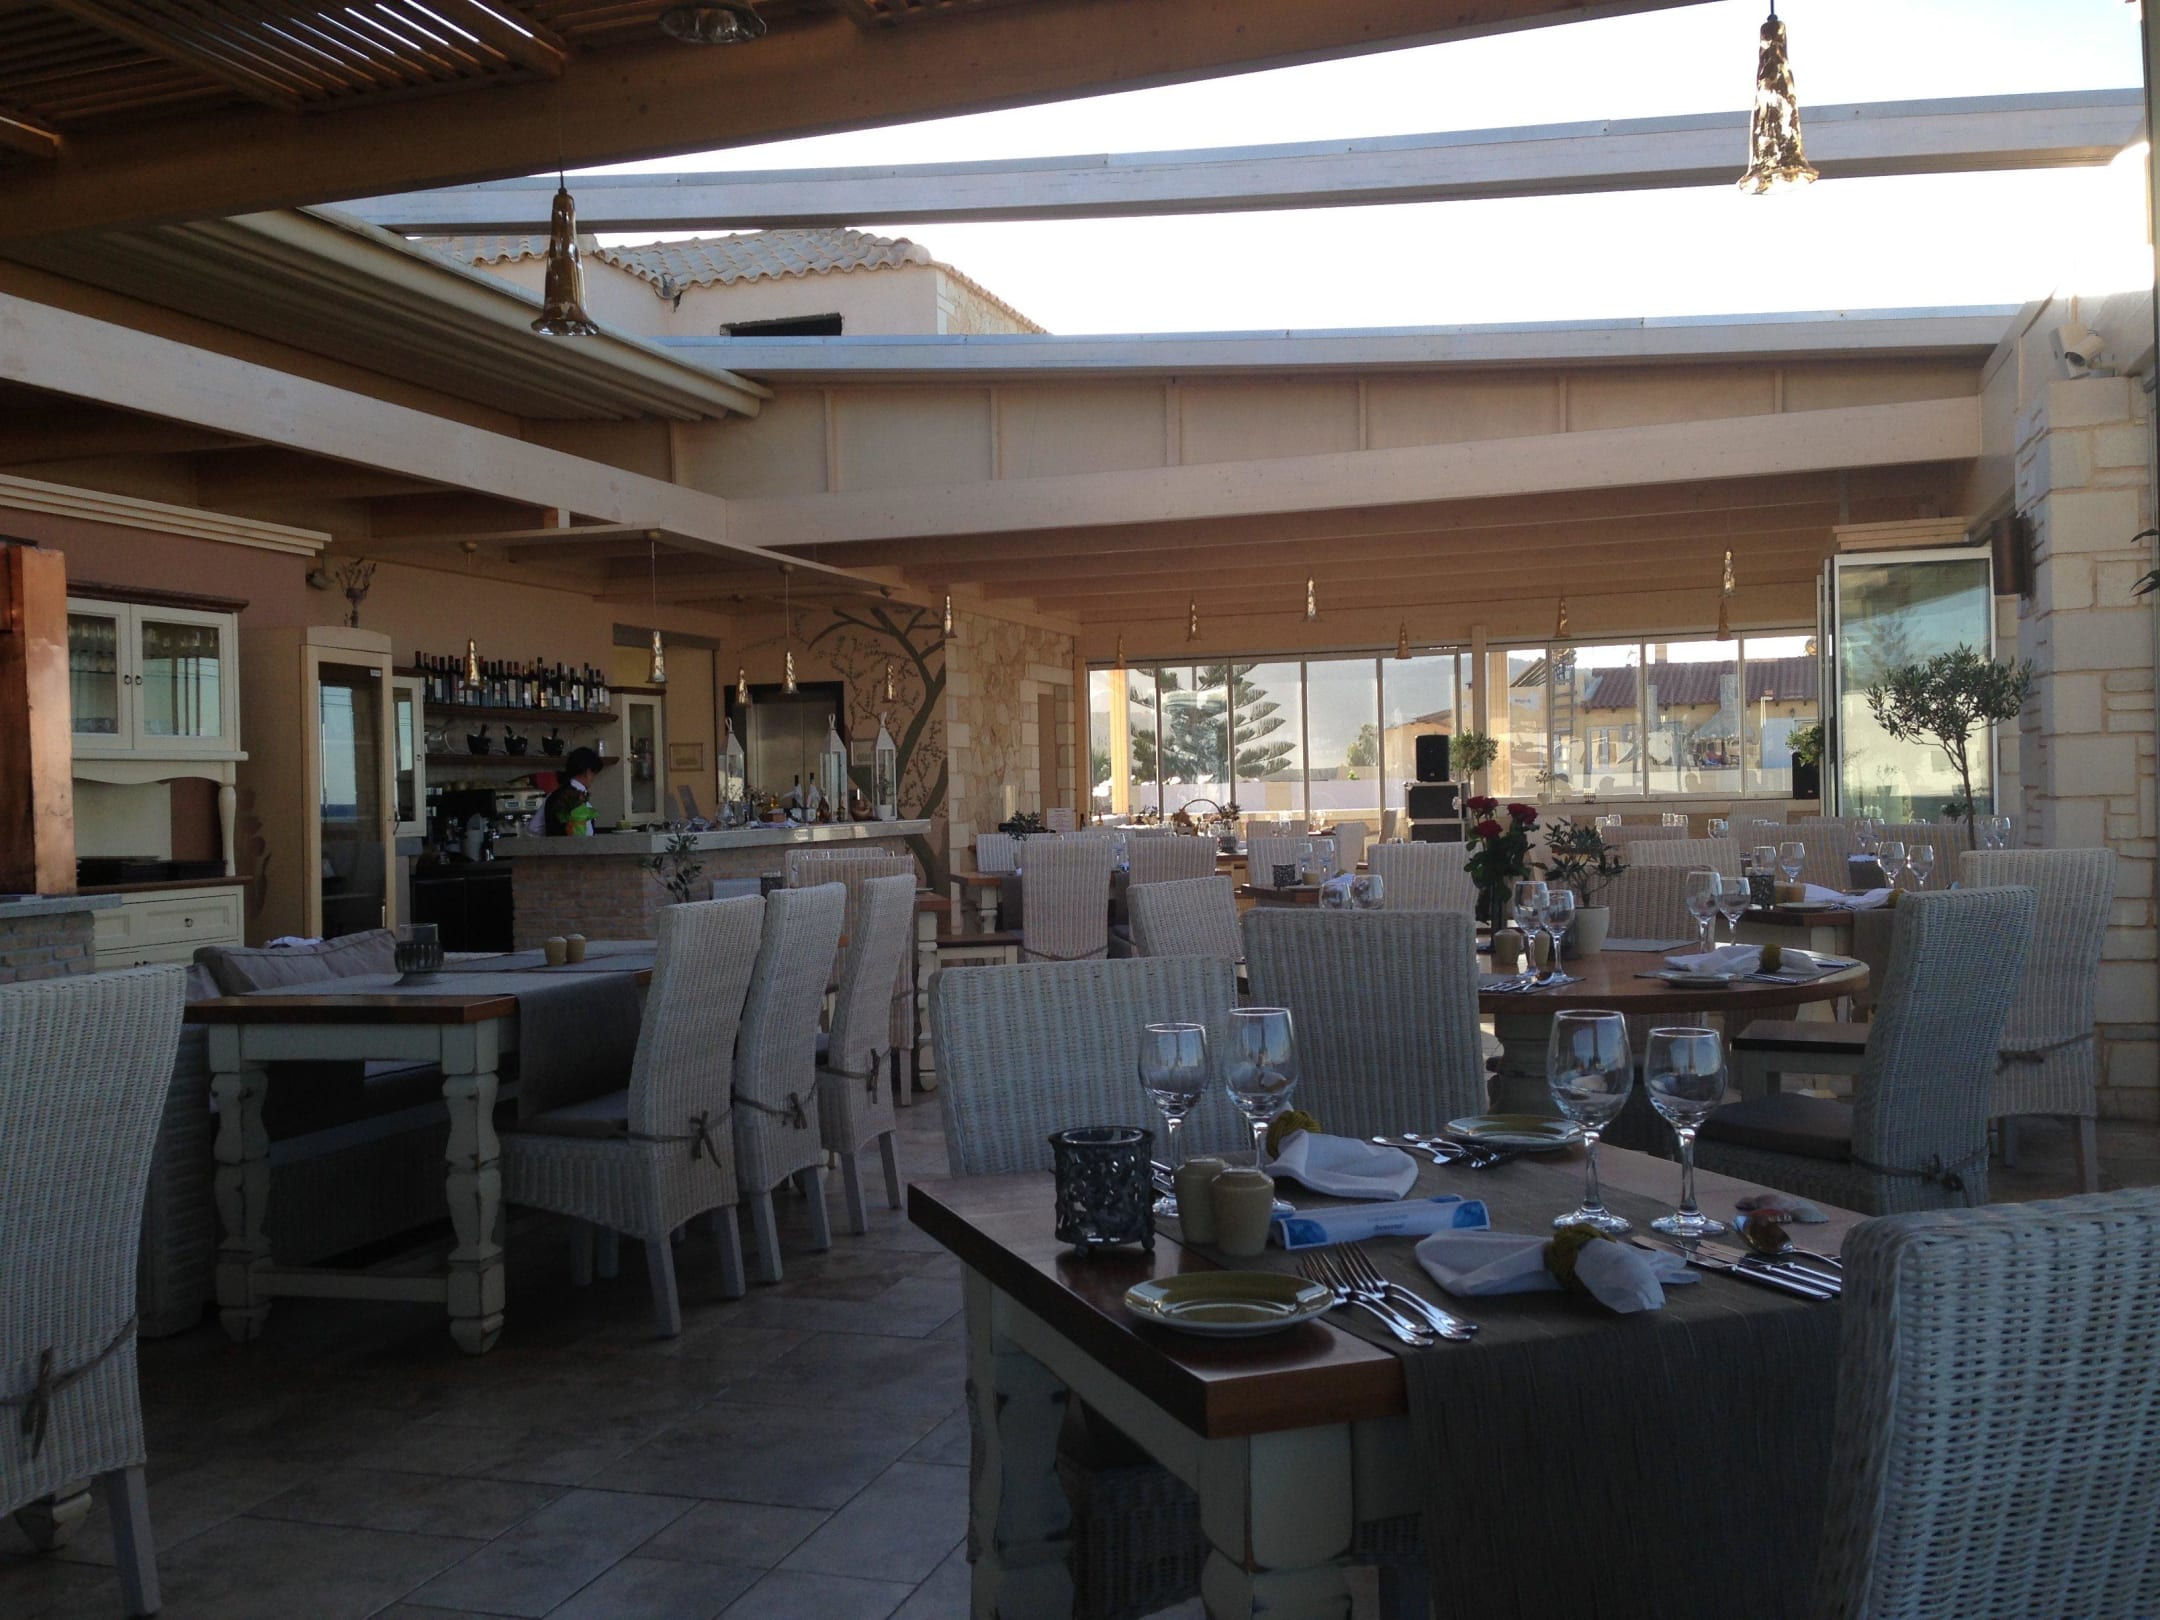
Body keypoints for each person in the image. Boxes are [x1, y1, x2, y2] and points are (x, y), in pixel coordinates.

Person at [541, 747, 601, 836]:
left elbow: (533, 828)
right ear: (588, 772)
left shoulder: (553, 795)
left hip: (554, 844)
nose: (593, 779)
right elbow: (587, 835)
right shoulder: (580, 797)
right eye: (594, 774)